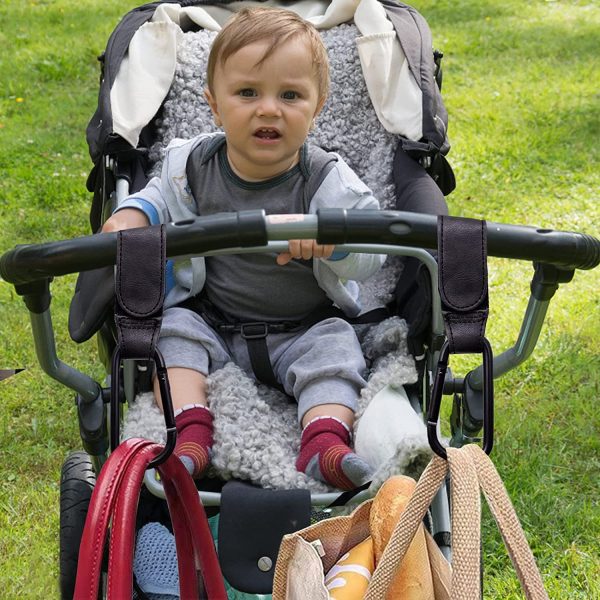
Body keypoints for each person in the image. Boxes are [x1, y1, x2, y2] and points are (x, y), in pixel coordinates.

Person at [102, 7, 385, 490]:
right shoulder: (191, 166)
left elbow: (372, 253)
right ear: (215, 104)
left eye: (290, 95)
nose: (269, 109)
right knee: (171, 333)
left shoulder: (326, 180)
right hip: (214, 320)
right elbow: (157, 198)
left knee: (337, 350)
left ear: (317, 107)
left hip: (304, 327)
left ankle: (325, 443)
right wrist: (134, 215)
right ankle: (189, 433)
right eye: (248, 93)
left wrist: (331, 243)